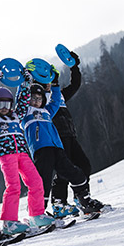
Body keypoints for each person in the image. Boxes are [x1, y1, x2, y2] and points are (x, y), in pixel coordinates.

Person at [0, 70, 59, 234]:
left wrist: (25, 83)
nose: (4, 108)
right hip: (6, 156)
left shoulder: (16, 116)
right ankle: (9, 222)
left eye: (7, 104)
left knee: (36, 181)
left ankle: (36, 214)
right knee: (13, 186)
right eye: (0, 105)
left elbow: (23, 101)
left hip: (23, 153)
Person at [24, 72, 105, 215]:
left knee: (77, 171)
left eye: (39, 98)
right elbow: (23, 99)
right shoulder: (27, 111)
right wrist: (25, 82)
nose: (36, 101)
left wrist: (56, 83)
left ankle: (83, 199)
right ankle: (40, 211)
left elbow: (58, 98)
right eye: (33, 98)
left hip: (59, 144)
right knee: (45, 180)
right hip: (44, 146)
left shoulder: (48, 108)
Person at [49, 51, 103, 215]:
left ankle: (82, 198)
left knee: (84, 165)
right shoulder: (41, 98)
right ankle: (59, 204)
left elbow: (75, 84)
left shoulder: (60, 95)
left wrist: (74, 67)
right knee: (64, 171)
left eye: (53, 78)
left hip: (70, 135)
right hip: (57, 137)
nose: (51, 81)